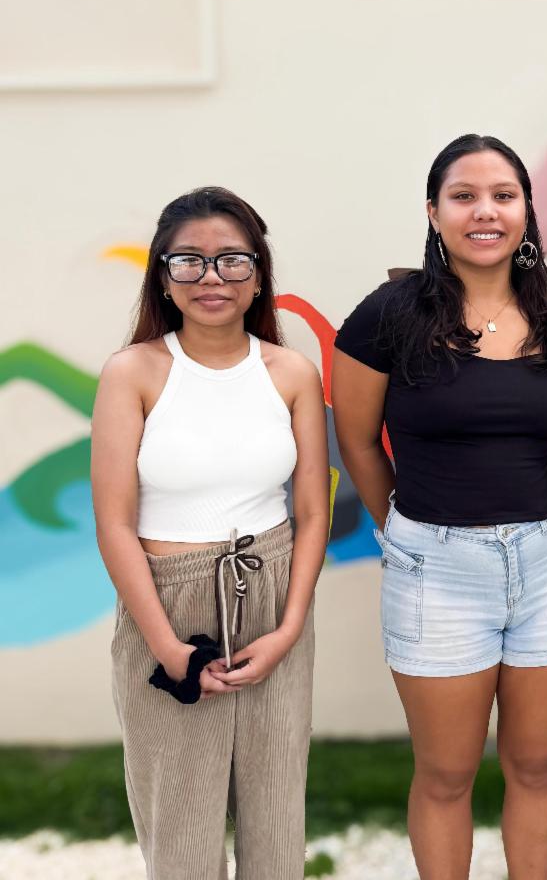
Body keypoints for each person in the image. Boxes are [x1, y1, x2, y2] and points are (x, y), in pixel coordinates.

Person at [331, 134, 547, 879]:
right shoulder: (387, 316)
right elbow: (357, 442)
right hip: (437, 570)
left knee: (536, 764)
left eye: (503, 196)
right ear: (434, 212)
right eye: (464, 196)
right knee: (447, 774)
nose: (486, 211)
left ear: (525, 212)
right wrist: (405, 531)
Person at [92, 186, 328, 879]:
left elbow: (312, 511)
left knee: (275, 825)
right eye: (188, 261)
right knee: (182, 835)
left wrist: (288, 629)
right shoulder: (132, 372)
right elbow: (114, 522)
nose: (211, 277)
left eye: (231, 259)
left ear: (258, 273)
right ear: (163, 277)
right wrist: (168, 647)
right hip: (167, 604)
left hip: (272, 594)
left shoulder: (291, 372)